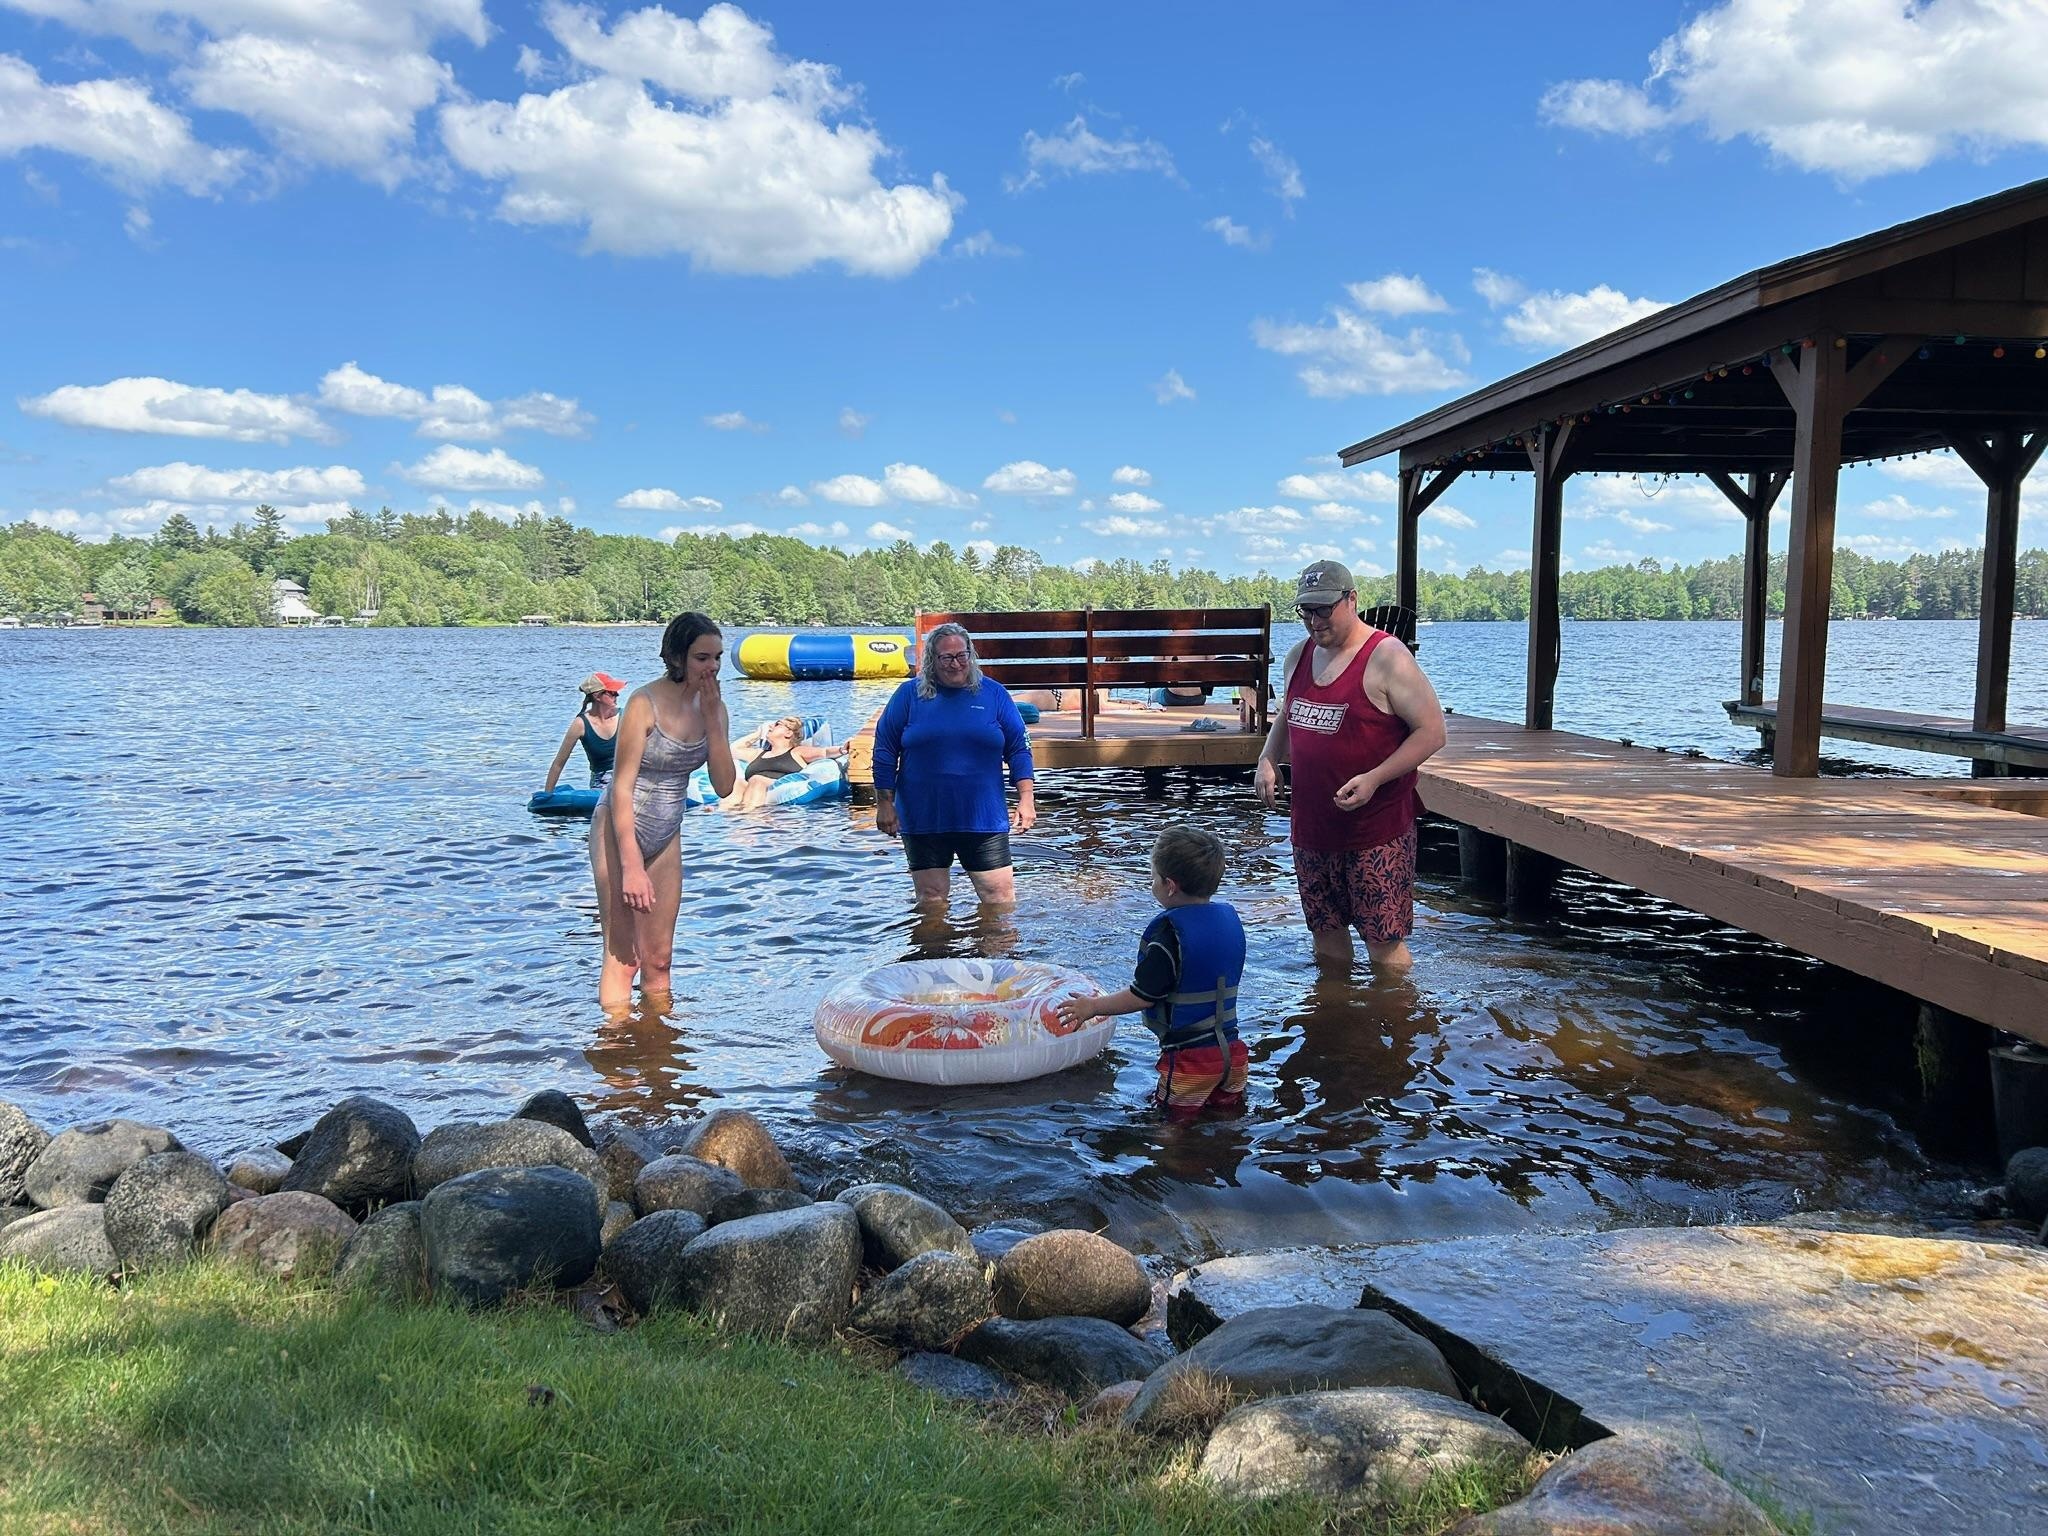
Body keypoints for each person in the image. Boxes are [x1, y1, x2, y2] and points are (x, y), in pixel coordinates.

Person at [1255, 560, 1446, 972]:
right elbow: (1288, 715)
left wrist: (1375, 778)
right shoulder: (1298, 656)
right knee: (1325, 938)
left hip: (1375, 831)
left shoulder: (1387, 657)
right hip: (1311, 827)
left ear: (1351, 600)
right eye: (1305, 611)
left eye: (1323, 610)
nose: (1314, 621)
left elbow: (1432, 732)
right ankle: (1336, 1023)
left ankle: (1399, 1023)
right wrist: (1267, 758)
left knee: (1384, 947)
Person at [588, 614, 736, 1010]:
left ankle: (658, 1058)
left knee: (659, 960)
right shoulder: (643, 702)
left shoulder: (715, 710)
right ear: (677, 656)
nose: (713, 667)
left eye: (718, 658)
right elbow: (620, 787)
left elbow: (724, 786)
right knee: (624, 957)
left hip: (667, 830)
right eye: (702, 658)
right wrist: (632, 865)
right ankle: (616, 1059)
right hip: (619, 827)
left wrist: (712, 720)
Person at [1054, 826, 1248, 1120]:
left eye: (1152, 877)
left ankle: (1170, 1163)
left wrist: (1092, 1006)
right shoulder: (1228, 923)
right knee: (1226, 1120)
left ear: (1169, 885)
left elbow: (1142, 996)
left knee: (1171, 1125)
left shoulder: (1168, 937)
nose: (1151, 883)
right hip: (1233, 1054)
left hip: (1190, 1059)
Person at [872, 621, 1036, 908]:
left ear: (971, 655)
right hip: (924, 816)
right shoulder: (909, 695)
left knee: (999, 900)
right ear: (932, 660)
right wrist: (884, 802)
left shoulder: (994, 694)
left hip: (983, 817)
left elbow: (1019, 748)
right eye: (946, 657)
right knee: (931, 900)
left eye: (962, 655)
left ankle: (996, 953)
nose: (955, 664)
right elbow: (884, 750)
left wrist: (1026, 797)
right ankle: (935, 951)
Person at [735, 714, 849, 808]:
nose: (771, 725)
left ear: (788, 733)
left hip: (773, 787)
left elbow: (825, 752)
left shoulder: (796, 752)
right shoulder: (758, 753)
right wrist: (756, 735)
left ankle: (749, 822)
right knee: (738, 783)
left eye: (777, 724)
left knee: (757, 780)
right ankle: (729, 821)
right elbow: (733, 750)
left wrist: (842, 749)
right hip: (751, 788)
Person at [542, 672, 626, 791]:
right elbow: (558, 763)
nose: (617, 695)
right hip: (601, 782)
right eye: (612, 692)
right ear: (597, 696)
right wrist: (547, 795)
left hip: (628, 776)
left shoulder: (626, 716)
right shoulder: (580, 724)